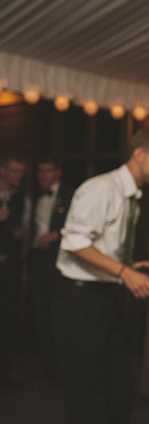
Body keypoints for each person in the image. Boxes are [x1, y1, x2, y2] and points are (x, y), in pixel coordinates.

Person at [54, 129, 149, 424]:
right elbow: (74, 241)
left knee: (118, 383)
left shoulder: (131, 195)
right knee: (87, 388)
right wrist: (123, 272)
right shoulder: (102, 188)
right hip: (81, 299)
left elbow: (99, 245)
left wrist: (128, 266)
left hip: (106, 296)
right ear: (138, 154)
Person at [28, 157, 74, 377]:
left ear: (58, 172)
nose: (43, 176)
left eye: (47, 171)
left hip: (58, 261)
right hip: (36, 260)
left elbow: (77, 225)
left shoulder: (69, 194)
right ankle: (45, 365)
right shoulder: (34, 195)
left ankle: (61, 366)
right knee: (40, 312)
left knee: (59, 312)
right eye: (40, 171)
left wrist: (56, 235)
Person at [0, 154, 29, 390]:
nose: (18, 176)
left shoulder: (22, 199)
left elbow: (24, 228)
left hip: (9, 270)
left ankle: (4, 377)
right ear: (2, 170)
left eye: (21, 172)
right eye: (14, 171)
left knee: (7, 321)